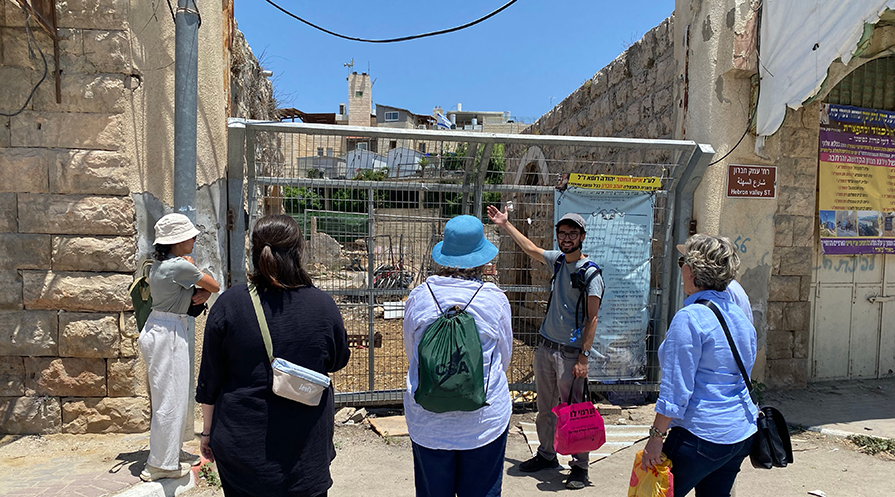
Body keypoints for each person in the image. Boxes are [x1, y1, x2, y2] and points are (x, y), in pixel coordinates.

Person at [195, 214, 350, 497]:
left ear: (255, 252)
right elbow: (337, 361)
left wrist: (207, 433)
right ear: (299, 250)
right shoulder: (323, 306)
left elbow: (210, 379)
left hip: (242, 451)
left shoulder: (230, 304)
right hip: (305, 451)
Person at [486, 206, 603, 490]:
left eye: (572, 233)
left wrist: (584, 357)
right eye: (562, 233)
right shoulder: (559, 261)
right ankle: (547, 454)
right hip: (546, 347)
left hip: (570, 353)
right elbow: (529, 248)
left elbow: (593, 317)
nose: (566, 238)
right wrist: (505, 224)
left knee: (574, 409)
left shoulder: (591, 273)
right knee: (545, 407)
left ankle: (580, 467)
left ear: (582, 236)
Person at [403, 215, 513, 497]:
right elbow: (505, 355)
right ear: (482, 260)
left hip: (428, 423)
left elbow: (412, 351)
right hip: (484, 423)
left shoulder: (420, 296)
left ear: (444, 256)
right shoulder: (494, 299)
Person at [642, 234, 758, 496]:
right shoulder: (738, 315)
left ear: (692, 270)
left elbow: (675, 389)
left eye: (683, 261)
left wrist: (655, 438)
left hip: (700, 435)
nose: (681, 267)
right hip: (739, 433)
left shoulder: (690, 318)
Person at [139, 213, 220, 481]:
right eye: (190, 235)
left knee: (170, 394)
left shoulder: (160, 265)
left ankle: (170, 452)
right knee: (170, 398)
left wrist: (199, 284)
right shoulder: (180, 267)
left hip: (161, 328)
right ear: (177, 241)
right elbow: (214, 285)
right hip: (169, 332)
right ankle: (160, 464)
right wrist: (204, 287)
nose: (195, 238)